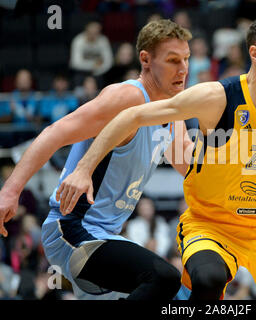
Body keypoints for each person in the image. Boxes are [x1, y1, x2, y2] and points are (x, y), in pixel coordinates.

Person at [57, 14, 256, 300]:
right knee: (208, 280)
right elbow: (131, 117)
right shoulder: (216, 97)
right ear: (255, 54)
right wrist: (84, 167)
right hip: (211, 224)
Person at [0, 19, 194, 300]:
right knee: (162, 277)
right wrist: (10, 190)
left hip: (108, 238)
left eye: (186, 59)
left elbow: (191, 166)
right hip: (72, 230)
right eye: (173, 60)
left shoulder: (172, 115)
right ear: (146, 60)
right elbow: (55, 132)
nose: (184, 69)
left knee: (185, 297)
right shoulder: (127, 96)